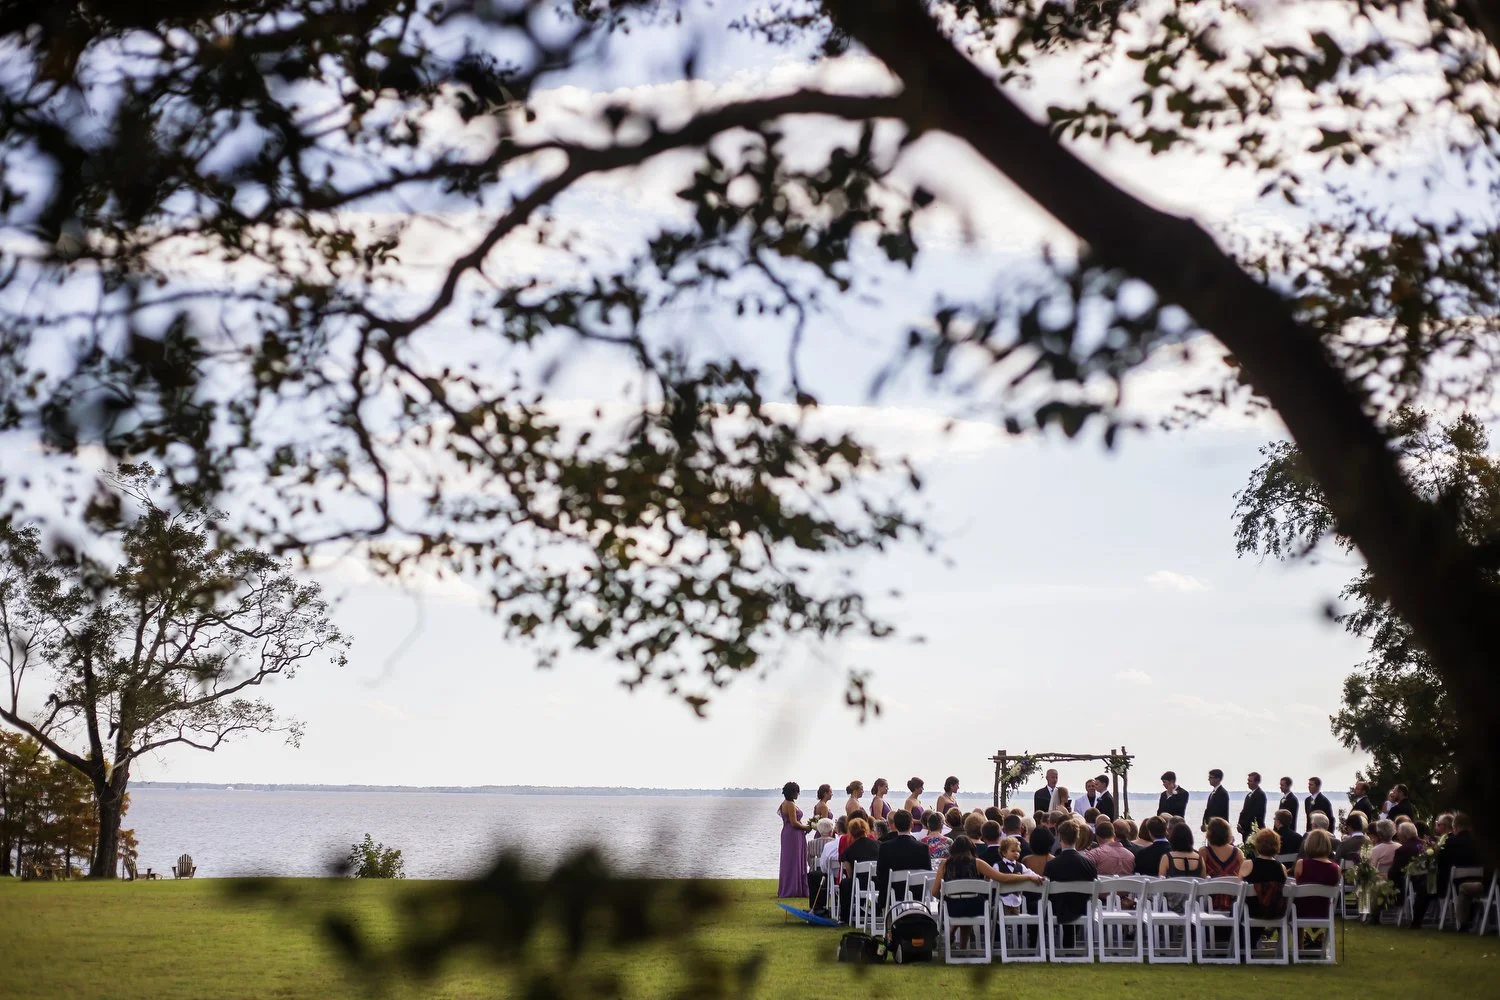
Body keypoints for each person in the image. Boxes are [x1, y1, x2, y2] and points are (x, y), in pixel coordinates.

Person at [933, 835, 1043, 946]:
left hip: (952, 908)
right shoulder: (977, 863)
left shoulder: (944, 865)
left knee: (959, 904)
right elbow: (1002, 877)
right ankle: (963, 947)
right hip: (974, 907)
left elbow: (934, 892)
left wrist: (946, 899)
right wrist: (1028, 877)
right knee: (970, 903)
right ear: (971, 849)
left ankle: (955, 936)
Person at [1409, 811, 1483, 929]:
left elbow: (1440, 861)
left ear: (1456, 826)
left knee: (1427, 886)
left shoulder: (1450, 842)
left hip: (1452, 882)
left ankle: (1416, 922)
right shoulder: (1481, 842)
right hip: (1481, 880)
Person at [1044, 821, 1099, 945]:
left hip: (1058, 909)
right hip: (1082, 907)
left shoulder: (1052, 865)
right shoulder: (1089, 863)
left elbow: (1048, 891)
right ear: (1077, 837)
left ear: (1060, 837)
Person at [1240, 827, 1288, 946]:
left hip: (1251, 911)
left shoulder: (1248, 864)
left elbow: (1239, 888)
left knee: (1238, 905)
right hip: (1273, 911)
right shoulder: (1281, 868)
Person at [874, 809, 931, 908]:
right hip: (917, 896)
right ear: (912, 825)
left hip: (893, 896)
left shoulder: (885, 847)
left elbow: (880, 874)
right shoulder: (923, 848)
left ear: (894, 826)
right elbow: (928, 874)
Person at [1292, 829, 1341, 923]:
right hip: (1325, 910)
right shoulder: (1336, 868)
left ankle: (1297, 937)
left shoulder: (1301, 864)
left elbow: (1297, 883)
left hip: (1301, 910)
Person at [839, 817, 880, 923]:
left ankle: (845, 917)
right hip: (878, 882)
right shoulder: (879, 845)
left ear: (851, 833)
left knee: (845, 883)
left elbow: (849, 873)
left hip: (860, 884)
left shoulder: (849, 851)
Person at [776, 781, 812, 898]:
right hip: (792, 834)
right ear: (792, 792)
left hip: (791, 834)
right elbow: (794, 823)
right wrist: (807, 827)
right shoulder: (790, 805)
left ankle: (794, 887)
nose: (798, 794)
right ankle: (793, 889)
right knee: (793, 860)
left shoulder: (785, 803)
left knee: (792, 859)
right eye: (797, 792)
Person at [1199, 817, 1242, 909]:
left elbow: (1201, 877)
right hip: (1232, 901)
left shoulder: (1204, 852)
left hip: (1209, 900)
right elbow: (1242, 877)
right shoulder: (1238, 852)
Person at [808, 817, 836, 912]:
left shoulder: (811, 843)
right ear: (831, 830)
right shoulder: (834, 843)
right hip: (832, 874)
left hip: (815, 874)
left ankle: (816, 906)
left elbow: (809, 861)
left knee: (813, 873)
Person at [1239, 771, 1268, 843]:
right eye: (1248, 780)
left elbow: (1256, 814)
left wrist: (1245, 827)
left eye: (1250, 781)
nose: (1248, 782)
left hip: (1254, 831)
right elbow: (1244, 811)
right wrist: (1240, 825)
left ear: (1257, 782)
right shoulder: (1249, 795)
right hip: (1245, 831)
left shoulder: (1260, 795)